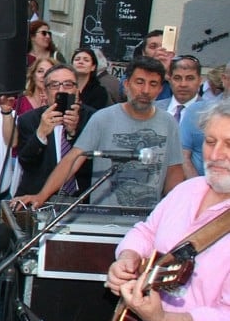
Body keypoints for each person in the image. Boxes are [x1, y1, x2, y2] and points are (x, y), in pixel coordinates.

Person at [104, 99, 230, 321]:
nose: (216, 155)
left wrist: (162, 319)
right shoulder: (188, 190)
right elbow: (146, 231)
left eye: (229, 144)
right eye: (210, 142)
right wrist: (127, 259)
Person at [15, 57, 185, 209]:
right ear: (126, 85)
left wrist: (174, 211)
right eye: (139, 82)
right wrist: (41, 196)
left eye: (153, 84)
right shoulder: (102, 118)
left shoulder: (169, 123)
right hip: (103, 216)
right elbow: (73, 160)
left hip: (149, 218)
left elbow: (174, 170)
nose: (145, 90)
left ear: (160, 89)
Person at [15, 64, 96, 197]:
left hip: (81, 197)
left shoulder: (92, 118)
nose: (61, 90)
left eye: (68, 85)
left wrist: (73, 134)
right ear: (45, 92)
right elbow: (26, 163)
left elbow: (94, 163)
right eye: (54, 85)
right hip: (39, 195)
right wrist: (40, 134)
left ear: (77, 90)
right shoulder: (28, 119)